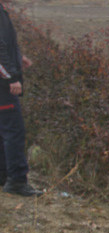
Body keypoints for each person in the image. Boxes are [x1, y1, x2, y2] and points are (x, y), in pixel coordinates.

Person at [0, 1, 41, 197]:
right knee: (14, 130)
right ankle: (16, 180)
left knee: (4, 129)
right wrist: (11, 77)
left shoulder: (2, 9)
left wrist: (18, 57)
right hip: (3, 85)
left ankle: (4, 175)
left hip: (4, 78)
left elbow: (5, 42)